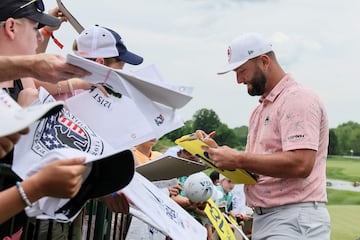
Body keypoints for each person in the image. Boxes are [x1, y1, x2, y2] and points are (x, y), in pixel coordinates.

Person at [201, 32, 330, 239]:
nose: (238, 80)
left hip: (293, 217)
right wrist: (217, 154)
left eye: (242, 70)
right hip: (270, 218)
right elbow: (258, 168)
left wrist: (238, 158)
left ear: (264, 61)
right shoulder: (261, 110)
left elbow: (301, 164)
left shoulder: (297, 99)